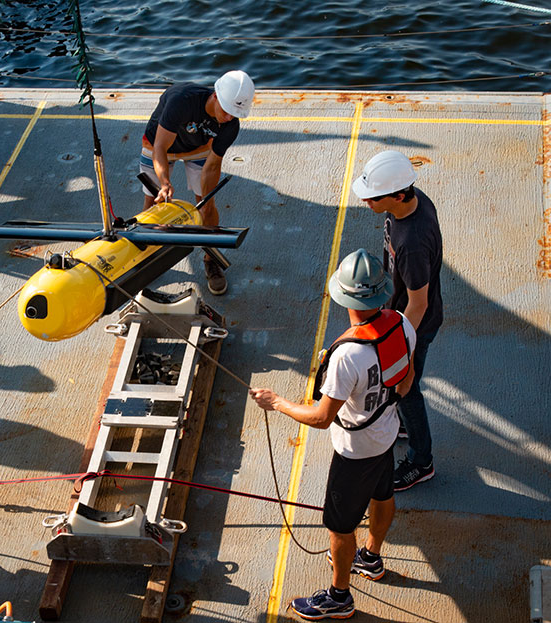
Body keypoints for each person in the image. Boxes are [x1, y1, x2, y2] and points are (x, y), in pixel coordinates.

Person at [250, 249, 416, 620]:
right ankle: (371, 558)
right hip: (386, 436)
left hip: (354, 454)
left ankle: (340, 597)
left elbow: (323, 417)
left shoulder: (347, 356)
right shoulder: (403, 324)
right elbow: (407, 380)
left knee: (339, 529)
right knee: (383, 494)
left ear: (343, 297)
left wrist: (277, 402)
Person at [352, 150, 443, 492]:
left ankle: (422, 461)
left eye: (374, 197)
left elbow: (419, 303)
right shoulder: (409, 205)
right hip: (400, 312)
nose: (368, 201)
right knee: (402, 388)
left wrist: (398, 346)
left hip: (415, 323)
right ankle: (406, 426)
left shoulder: (413, 244)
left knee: (406, 387)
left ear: (399, 194)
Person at [139, 69, 255, 296]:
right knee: (152, 201)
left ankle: (211, 258)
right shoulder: (181, 100)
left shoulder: (231, 126)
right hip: (160, 143)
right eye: (227, 111)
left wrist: (205, 198)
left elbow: (212, 166)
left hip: (199, 148)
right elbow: (160, 148)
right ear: (215, 96)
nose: (229, 117)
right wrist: (165, 182)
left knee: (207, 205)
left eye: (235, 114)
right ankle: (144, 255)